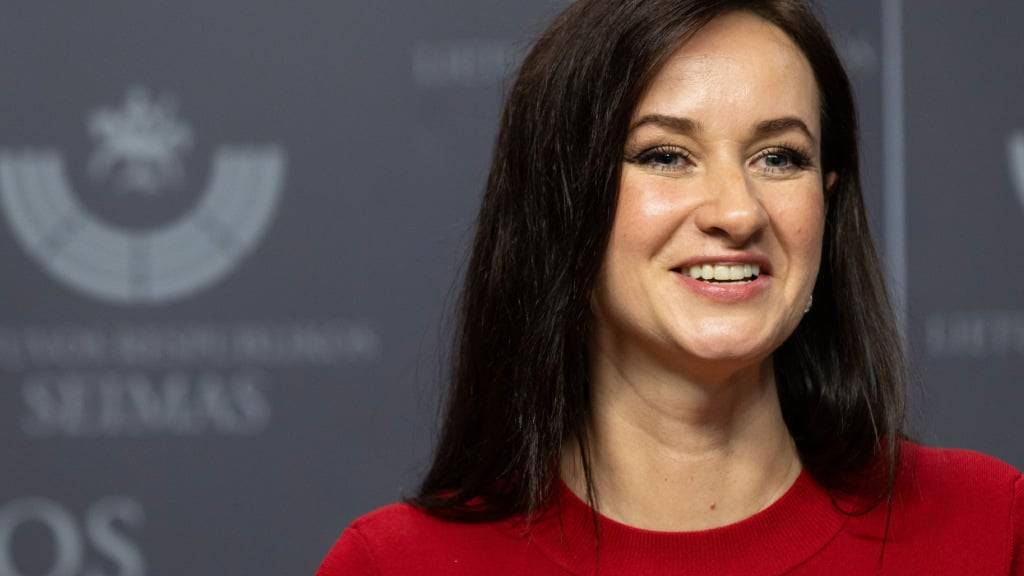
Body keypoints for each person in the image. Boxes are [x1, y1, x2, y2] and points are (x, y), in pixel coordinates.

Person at [317, 1, 1024, 574]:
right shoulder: (394, 565)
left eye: (780, 158)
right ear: (561, 205)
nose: (738, 212)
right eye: (666, 155)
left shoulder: (991, 529)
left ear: (827, 203)